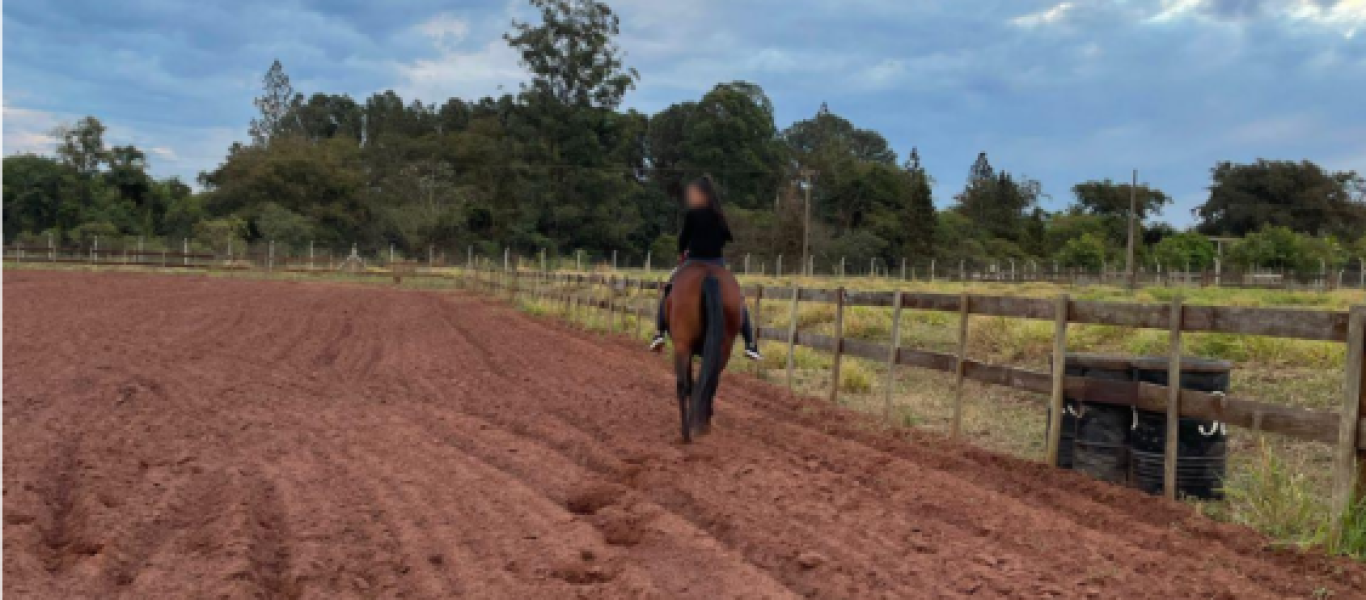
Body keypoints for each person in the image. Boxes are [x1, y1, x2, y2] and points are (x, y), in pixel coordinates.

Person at [649, 176, 762, 360]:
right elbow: (727, 237)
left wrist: (682, 253)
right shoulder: (719, 215)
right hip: (717, 262)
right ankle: (751, 343)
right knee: (738, 298)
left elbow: (682, 239)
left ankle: (659, 332)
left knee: (669, 288)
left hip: (693, 260)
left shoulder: (693, 214)